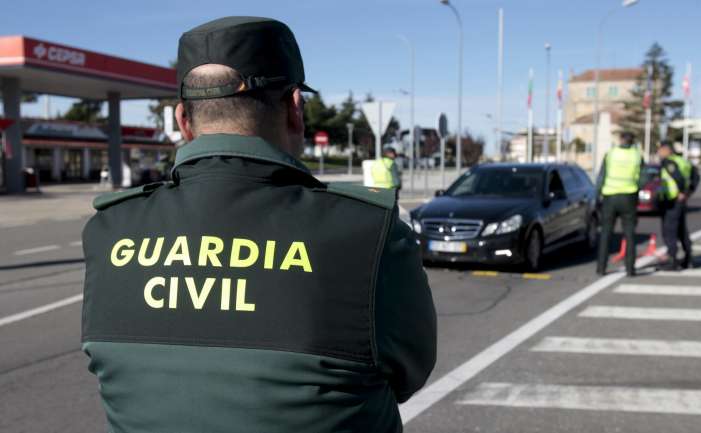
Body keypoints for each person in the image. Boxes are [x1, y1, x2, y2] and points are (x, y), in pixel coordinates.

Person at [81, 17, 436, 433]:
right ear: (295, 107)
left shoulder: (109, 230)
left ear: (182, 119)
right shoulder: (367, 233)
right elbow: (409, 373)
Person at [595, 131, 644, 277]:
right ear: (632, 141)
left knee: (605, 234)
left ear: (621, 139)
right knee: (629, 234)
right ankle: (630, 268)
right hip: (629, 196)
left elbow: (601, 176)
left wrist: (598, 196)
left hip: (610, 196)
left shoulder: (610, 154)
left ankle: (601, 267)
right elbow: (643, 177)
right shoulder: (637, 156)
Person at [657, 141, 700, 270]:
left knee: (670, 231)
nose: (659, 153)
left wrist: (682, 192)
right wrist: (689, 192)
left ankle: (672, 260)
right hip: (680, 201)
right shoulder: (683, 161)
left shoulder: (668, 162)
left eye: (660, 150)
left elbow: (678, 177)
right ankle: (688, 259)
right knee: (682, 231)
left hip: (672, 200)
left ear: (667, 150)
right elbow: (696, 177)